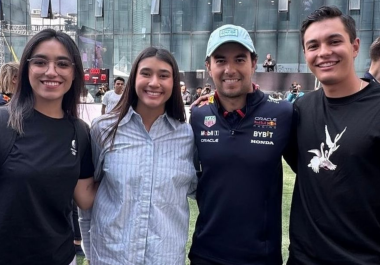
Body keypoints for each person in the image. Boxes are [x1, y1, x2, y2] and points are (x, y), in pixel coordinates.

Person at [189, 24, 296, 265]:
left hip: (261, 257)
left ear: (254, 62)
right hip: (205, 254)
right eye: (220, 60)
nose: (230, 69)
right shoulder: (197, 116)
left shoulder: (283, 114)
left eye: (239, 59)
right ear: (208, 66)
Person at [79, 47, 197, 264]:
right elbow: (87, 202)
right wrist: (92, 253)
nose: (154, 82)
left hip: (165, 258)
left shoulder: (187, 136)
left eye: (163, 75)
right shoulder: (103, 130)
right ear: (134, 78)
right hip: (111, 257)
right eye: (146, 74)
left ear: (174, 82)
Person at [287, 6, 380, 265]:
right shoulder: (300, 110)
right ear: (305, 53)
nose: (324, 52)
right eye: (313, 45)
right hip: (302, 259)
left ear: (355, 46)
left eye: (335, 41)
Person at [0, 29, 98, 265]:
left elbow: (85, 198)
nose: (51, 71)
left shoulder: (80, 131)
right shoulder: (3, 122)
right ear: (26, 69)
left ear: (74, 73)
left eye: (63, 64)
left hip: (61, 258)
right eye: (41, 62)